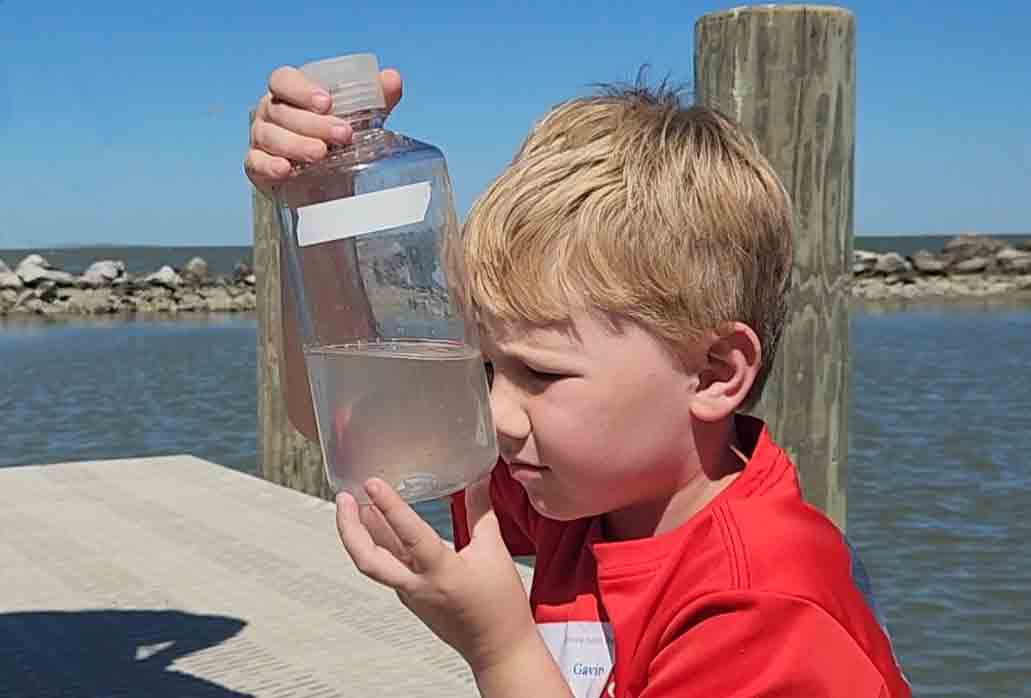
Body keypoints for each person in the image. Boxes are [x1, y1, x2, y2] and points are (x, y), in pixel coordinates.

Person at [246, 64, 910, 698]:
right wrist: (319, 194)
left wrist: (498, 647)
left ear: (715, 373)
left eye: (539, 372)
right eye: (486, 367)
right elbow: (356, 425)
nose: (497, 415)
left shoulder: (766, 608)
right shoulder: (588, 491)